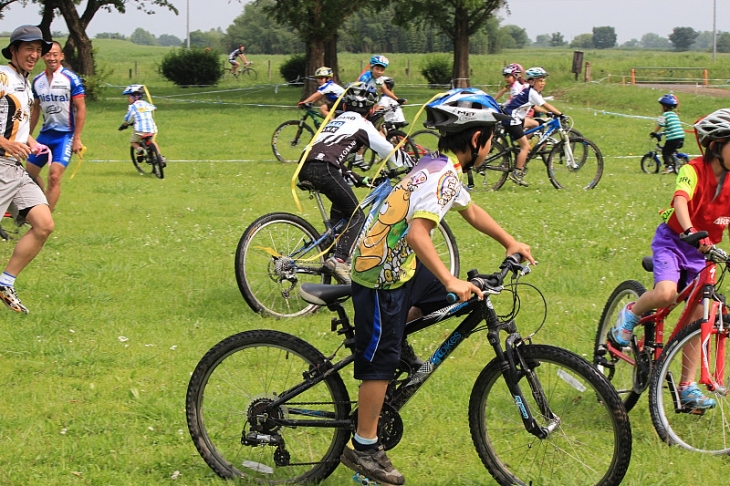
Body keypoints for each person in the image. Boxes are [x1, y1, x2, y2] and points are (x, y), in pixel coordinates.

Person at [341, 88, 535, 485]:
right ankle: (365, 447)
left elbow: (472, 210)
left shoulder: (440, 166)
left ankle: (394, 346)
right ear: (477, 140)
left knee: (440, 297)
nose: (493, 146)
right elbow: (417, 234)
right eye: (491, 140)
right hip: (380, 274)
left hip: (399, 266)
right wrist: (451, 278)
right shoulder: (441, 175)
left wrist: (510, 242)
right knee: (380, 362)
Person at [610, 108, 730, 412]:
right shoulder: (693, 168)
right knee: (666, 294)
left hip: (704, 253)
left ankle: (687, 386)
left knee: (702, 315)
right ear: (716, 145)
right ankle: (630, 314)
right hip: (674, 242)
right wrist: (690, 229)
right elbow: (680, 199)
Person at [297, 84, 411, 285]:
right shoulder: (362, 124)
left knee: (338, 223)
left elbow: (334, 157)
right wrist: (417, 165)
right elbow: (389, 151)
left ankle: (326, 263)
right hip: (325, 169)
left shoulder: (336, 122)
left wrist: (361, 179)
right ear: (372, 109)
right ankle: (340, 260)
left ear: (345, 106)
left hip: (306, 166)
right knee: (356, 215)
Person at [0, 25, 55, 314]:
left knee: (44, 223)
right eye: (28, 49)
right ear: (14, 51)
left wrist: (29, 141)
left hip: (15, 167)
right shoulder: (3, 76)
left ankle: (5, 282)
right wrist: (6, 143)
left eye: (38, 49)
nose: (35, 54)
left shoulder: (24, 80)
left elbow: (16, 121)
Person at [26, 41, 86, 212]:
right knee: (28, 175)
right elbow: (35, 110)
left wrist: (77, 138)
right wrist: (27, 137)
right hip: (45, 135)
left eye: (55, 54)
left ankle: (44, 218)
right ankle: (38, 205)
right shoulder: (37, 80)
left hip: (65, 136)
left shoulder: (70, 79)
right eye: (48, 54)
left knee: (54, 176)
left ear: (61, 56)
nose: (51, 58)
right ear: (43, 56)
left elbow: (81, 109)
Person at [502, 67, 566, 187]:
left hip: (515, 118)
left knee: (536, 124)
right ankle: (517, 172)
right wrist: (560, 114)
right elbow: (545, 104)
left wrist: (547, 113)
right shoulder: (532, 92)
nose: (543, 83)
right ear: (531, 81)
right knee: (525, 147)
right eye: (540, 80)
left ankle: (522, 148)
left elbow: (533, 106)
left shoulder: (530, 91)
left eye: (544, 81)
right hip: (512, 120)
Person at [118, 84, 166, 167]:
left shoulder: (132, 106)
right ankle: (160, 158)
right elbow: (154, 107)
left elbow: (128, 119)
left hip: (140, 130)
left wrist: (125, 124)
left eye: (129, 96)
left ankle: (140, 150)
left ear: (135, 97)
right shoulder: (146, 104)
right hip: (151, 129)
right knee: (152, 142)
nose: (128, 99)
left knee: (133, 142)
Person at [652, 93, 685, 175]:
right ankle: (675, 163)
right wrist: (664, 132)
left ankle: (669, 166)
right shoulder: (674, 115)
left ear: (665, 107)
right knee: (672, 150)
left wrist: (654, 133)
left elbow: (660, 125)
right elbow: (673, 126)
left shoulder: (664, 115)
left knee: (665, 152)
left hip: (673, 138)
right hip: (681, 136)